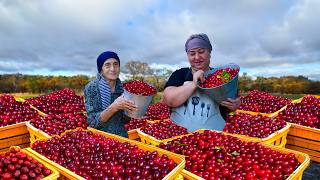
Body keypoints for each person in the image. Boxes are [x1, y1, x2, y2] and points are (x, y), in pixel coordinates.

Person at [163, 33, 240, 132]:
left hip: (214, 138)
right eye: (192, 53)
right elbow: (169, 100)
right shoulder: (180, 74)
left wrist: (234, 105)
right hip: (178, 136)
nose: (197, 57)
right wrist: (194, 83)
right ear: (188, 55)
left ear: (209, 52)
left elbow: (230, 104)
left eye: (201, 52)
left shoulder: (221, 77)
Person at [84, 51, 137, 137]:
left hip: (121, 138)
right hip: (100, 139)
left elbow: (124, 120)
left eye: (116, 64)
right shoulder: (92, 88)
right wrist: (114, 107)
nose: (113, 69)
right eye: (107, 65)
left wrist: (132, 111)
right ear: (101, 69)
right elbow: (92, 123)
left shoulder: (124, 89)